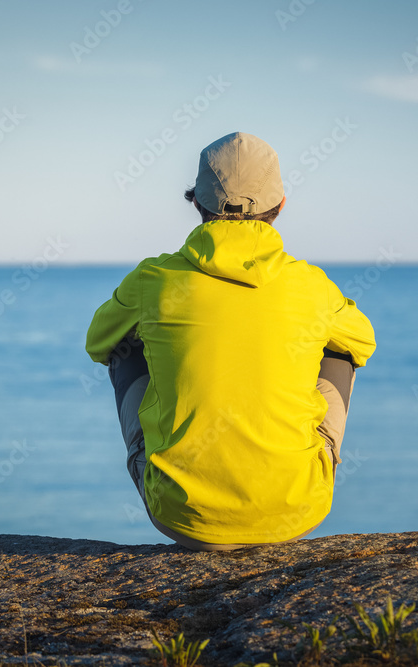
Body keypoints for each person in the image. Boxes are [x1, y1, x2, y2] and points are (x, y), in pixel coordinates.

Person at [86, 132, 375, 550]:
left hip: (180, 516)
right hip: (297, 511)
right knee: (341, 348)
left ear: (196, 204)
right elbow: (363, 342)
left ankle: (163, 462)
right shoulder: (311, 285)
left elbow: (98, 342)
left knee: (122, 347)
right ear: (280, 206)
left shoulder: (153, 280)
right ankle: (297, 467)